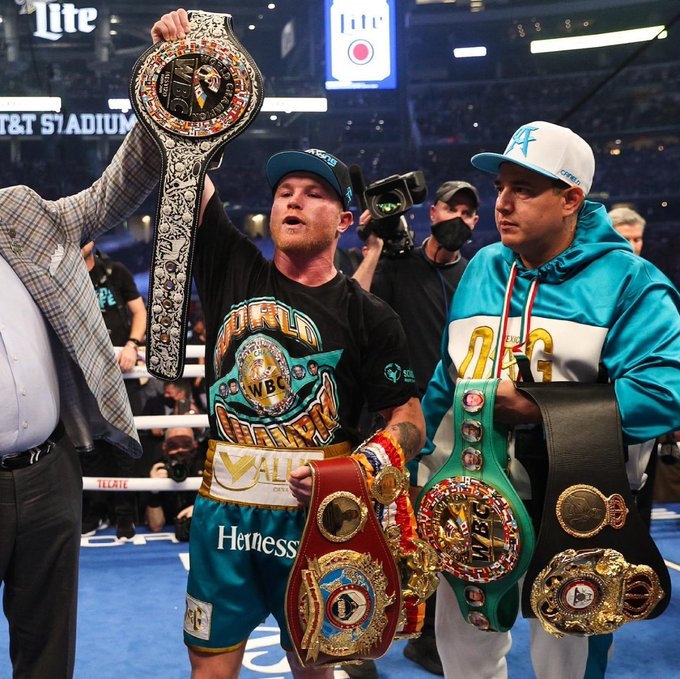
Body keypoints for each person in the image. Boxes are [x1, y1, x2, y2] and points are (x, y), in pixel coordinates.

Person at [152, 11, 426, 679]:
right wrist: (187, 66)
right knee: (209, 671)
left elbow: (409, 421)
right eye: (282, 191)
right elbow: (187, 168)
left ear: (343, 216)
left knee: (314, 667)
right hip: (224, 518)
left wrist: (359, 471)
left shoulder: (371, 316)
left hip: (320, 515)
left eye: (312, 193)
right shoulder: (232, 264)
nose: (292, 201)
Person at [418, 120, 680, 679]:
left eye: (525, 189)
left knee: (567, 664)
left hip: (579, 510)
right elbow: (447, 380)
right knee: (464, 657)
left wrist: (540, 409)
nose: (503, 204)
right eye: (500, 188)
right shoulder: (484, 268)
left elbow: (663, 395)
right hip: (470, 505)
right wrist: (412, 467)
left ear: (570, 199)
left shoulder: (633, 283)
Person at [0, 92, 159, 677]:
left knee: (48, 653)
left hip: (49, 474)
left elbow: (115, 189)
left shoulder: (20, 216)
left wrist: (162, 94)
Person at [349, 179, 480, 677]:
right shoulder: (397, 263)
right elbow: (352, 303)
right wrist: (376, 247)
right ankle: (359, 638)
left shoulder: (474, 276)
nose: (461, 220)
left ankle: (427, 640)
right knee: (374, 529)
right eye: (454, 208)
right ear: (433, 211)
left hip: (449, 427)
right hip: (388, 420)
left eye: (471, 214)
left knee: (437, 534)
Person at [79, 241, 148, 539]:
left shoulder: (115, 272)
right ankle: (95, 510)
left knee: (123, 444)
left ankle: (124, 514)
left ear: (92, 242)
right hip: (83, 373)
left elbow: (139, 312)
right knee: (89, 445)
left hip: (122, 369)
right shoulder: (66, 276)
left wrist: (133, 344)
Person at [145, 426, 203, 541]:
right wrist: (154, 490)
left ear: (195, 445)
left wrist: (201, 508)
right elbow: (156, 525)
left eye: (186, 445)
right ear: (164, 447)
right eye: (173, 445)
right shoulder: (158, 468)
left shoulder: (208, 467)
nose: (180, 450)